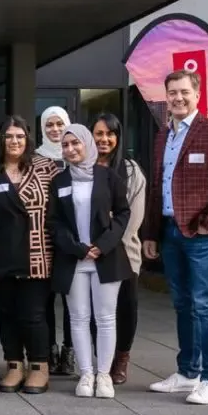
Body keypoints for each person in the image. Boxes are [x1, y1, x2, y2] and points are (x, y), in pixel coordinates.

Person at [143, 70, 208, 405]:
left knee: (207, 305)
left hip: (202, 236)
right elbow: (157, 187)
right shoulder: (163, 136)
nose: (177, 98)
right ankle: (187, 373)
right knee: (183, 304)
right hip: (170, 232)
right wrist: (152, 233)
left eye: (183, 92)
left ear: (197, 94)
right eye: (172, 93)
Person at [0, 115, 60, 394]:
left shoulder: (46, 168)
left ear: (27, 139)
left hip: (37, 253)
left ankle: (39, 367)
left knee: (33, 313)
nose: (15, 141)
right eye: (9, 136)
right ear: (0, 139)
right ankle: (13, 365)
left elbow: (59, 211)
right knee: (6, 313)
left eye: (20, 136)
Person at [46, 124, 131, 399]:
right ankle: (85, 373)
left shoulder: (109, 177)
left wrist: (102, 245)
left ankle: (103, 374)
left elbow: (122, 214)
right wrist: (76, 248)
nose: (70, 149)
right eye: (66, 145)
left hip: (106, 258)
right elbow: (54, 222)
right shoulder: (59, 181)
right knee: (78, 318)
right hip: (74, 259)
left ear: (87, 144)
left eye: (75, 143)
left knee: (106, 318)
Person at [92, 113, 147, 385]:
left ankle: (121, 359)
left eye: (109, 134)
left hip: (125, 251)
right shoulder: (83, 167)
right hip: (91, 252)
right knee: (96, 310)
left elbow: (132, 218)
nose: (104, 139)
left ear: (117, 137)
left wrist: (108, 236)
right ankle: (102, 358)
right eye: (98, 133)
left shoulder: (131, 170)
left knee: (126, 307)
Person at [37, 106, 76, 376]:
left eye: (59, 123)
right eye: (49, 124)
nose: (54, 129)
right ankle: (48, 348)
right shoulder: (36, 157)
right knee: (45, 299)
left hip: (73, 237)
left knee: (74, 299)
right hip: (43, 238)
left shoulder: (77, 153)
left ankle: (70, 351)